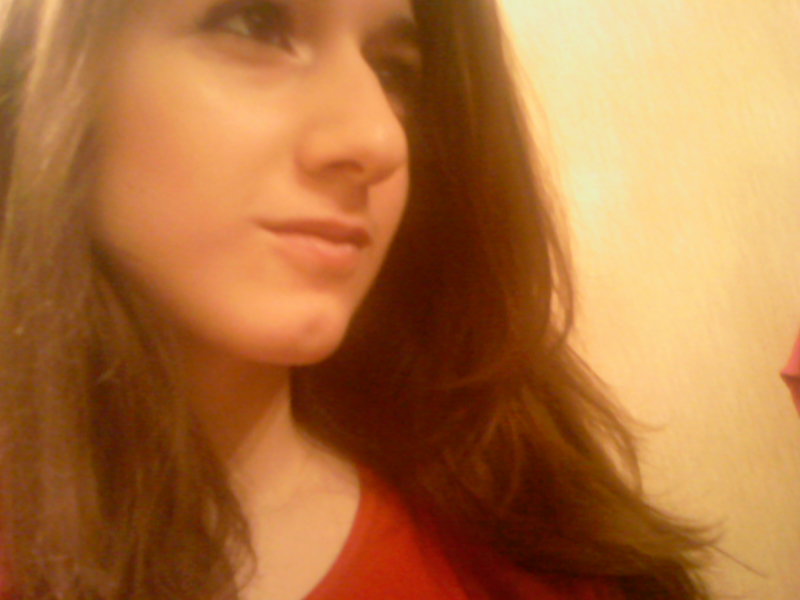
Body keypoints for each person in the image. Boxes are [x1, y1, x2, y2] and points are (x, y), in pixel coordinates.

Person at [0, 0, 712, 598]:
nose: (379, 138)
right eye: (253, 25)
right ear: (52, 75)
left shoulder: (539, 572)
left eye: (396, 71)